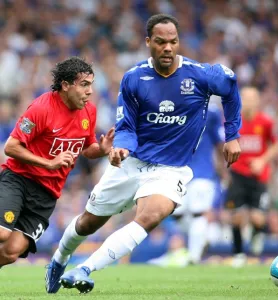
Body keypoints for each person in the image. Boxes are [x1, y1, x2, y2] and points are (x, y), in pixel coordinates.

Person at [46, 14, 242, 294]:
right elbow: (126, 126)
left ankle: (85, 268)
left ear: (178, 42)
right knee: (88, 222)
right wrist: (120, 148)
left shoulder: (199, 75)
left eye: (173, 42)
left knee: (150, 216)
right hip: (132, 162)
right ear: (148, 42)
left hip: (171, 169)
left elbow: (231, 86)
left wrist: (233, 135)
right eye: (160, 42)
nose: (167, 48)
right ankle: (58, 261)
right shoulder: (134, 78)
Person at [0, 57, 114, 268]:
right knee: (2, 233)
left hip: (47, 194)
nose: (90, 91)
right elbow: (11, 147)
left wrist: (102, 150)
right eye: (84, 85)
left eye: (91, 85)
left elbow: (87, 148)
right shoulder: (42, 108)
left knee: (10, 252)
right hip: (19, 180)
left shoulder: (89, 111)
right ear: (65, 85)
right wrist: (49, 163)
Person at [224, 86, 278, 267]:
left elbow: (276, 145)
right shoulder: (234, 122)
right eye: (244, 98)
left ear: (257, 101)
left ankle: (258, 234)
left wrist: (262, 161)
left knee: (257, 218)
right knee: (236, 217)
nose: (247, 102)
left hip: (258, 177)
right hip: (238, 175)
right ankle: (238, 254)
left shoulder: (265, 122)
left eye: (251, 98)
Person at [172, 103, 228, 264]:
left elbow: (219, 143)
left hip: (202, 173)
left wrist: (222, 170)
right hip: (178, 172)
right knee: (178, 216)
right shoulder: (176, 104)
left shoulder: (211, 111)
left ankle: (193, 257)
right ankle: (205, 236)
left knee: (198, 214)